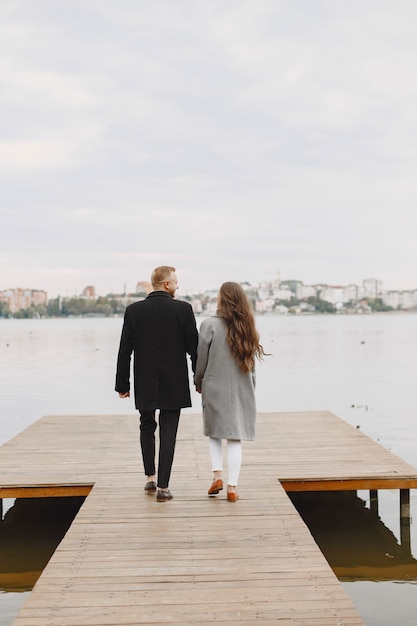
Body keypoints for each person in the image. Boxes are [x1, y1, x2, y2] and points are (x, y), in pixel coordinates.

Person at [115, 266, 198, 502]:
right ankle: (163, 487)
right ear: (167, 284)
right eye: (176, 281)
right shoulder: (183, 309)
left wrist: (123, 383)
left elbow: (124, 350)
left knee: (146, 425)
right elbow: (194, 349)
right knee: (169, 431)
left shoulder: (134, 311)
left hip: (144, 379)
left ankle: (150, 477)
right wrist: (198, 378)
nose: (178, 285)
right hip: (174, 381)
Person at [194, 281, 266, 502]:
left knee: (214, 433)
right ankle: (232, 488)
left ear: (221, 299)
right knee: (235, 439)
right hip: (242, 387)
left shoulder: (209, 325)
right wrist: (251, 389)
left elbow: (201, 360)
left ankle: (217, 475)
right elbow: (252, 365)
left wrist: (198, 381)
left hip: (215, 385)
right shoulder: (248, 326)